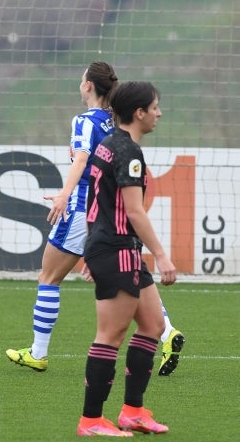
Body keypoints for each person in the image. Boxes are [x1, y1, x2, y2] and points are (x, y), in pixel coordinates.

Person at [5, 62, 184, 375]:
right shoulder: (116, 122)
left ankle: (38, 353)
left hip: (81, 209)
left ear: (88, 86)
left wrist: (64, 195)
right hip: (110, 209)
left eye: (81, 79)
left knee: (49, 278)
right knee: (133, 274)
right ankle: (167, 332)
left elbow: (83, 159)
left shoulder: (85, 120)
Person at [76, 81, 176, 437]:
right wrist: (162, 255)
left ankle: (132, 411)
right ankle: (91, 420)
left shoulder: (107, 145)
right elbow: (134, 211)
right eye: (155, 107)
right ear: (139, 113)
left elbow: (95, 199)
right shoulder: (128, 152)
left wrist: (91, 247)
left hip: (116, 249)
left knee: (151, 326)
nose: (158, 113)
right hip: (118, 250)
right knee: (110, 336)